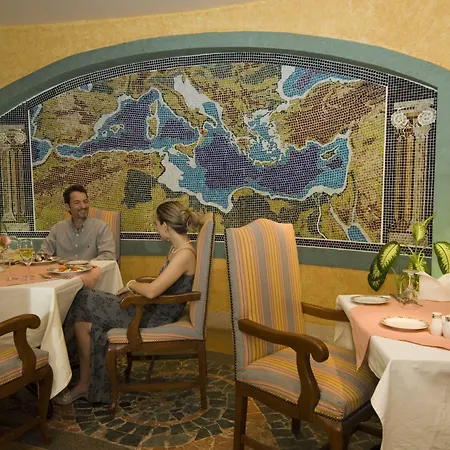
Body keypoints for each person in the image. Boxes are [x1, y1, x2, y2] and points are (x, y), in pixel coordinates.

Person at [55, 201, 202, 405]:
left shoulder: (184, 254)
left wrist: (132, 284)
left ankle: (56, 354)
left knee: (83, 296)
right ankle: (87, 384)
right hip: (152, 307)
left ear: (165, 225)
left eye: (156, 223)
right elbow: (160, 286)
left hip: (155, 316)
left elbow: (152, 291)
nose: (156, 228)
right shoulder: (177, 250)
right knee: (83, 323)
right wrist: (134, 289)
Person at [40, 184, 116, 261]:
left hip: (92, 268)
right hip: (63, 268)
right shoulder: (57, 229)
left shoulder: (101, 228)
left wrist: (86, 266)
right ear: (67, 207)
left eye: (85, 202)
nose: (83, 206)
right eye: (77, 203)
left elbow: (108, 256)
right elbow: (43, 256)